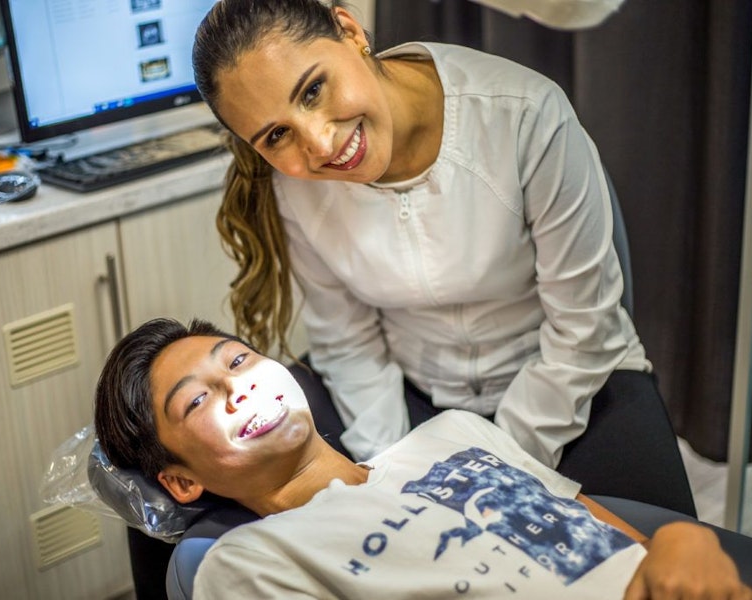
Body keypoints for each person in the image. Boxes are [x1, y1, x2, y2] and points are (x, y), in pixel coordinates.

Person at [191, 0, 697, 515]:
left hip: (574, 380)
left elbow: (584, 331)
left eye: (314, 89)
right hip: (414, 395)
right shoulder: (294, 188)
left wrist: (491, 466)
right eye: (277, 136)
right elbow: (348, 342)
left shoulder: (524, 115)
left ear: (349, 30)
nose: (320, 143)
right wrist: (389, 467)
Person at [93, 317, 752, 600]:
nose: (238, 386)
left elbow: (593, 532)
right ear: (181, 480)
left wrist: (678, 539)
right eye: (197, 401)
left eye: (237, 359)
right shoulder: (245, 565)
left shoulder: (454, 435)